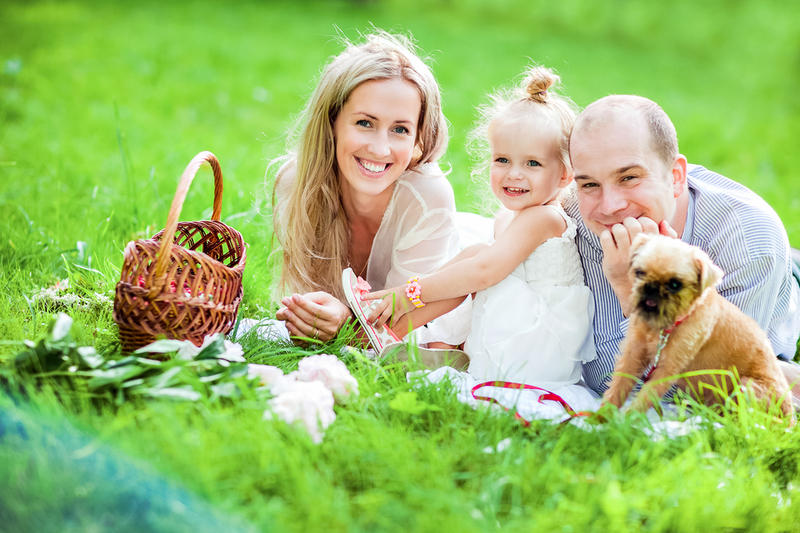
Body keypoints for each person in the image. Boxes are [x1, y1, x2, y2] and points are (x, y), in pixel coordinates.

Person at [361, 67, 598, 417]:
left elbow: (485, 272)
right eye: (502, 160)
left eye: (532, 163)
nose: (514, 173)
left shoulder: (545, 218)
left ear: (564, 174)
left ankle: (393, 322)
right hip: (518, 325)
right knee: (475, 254)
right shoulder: (515, 217)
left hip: (536, 350)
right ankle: (410, 336)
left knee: (478, 262)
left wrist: (410, 292)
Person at [563, 94, 800, 398]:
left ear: (676, 177)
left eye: (629, 177)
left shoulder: (749, 240)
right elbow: (600, 375)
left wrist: (627, 287)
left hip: (782, 291)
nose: (609, 206)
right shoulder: (575, 217)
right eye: (589, 184)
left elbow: (701, 394)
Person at [269, 31, 467, 344]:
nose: (380, 148)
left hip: (444, 309)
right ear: (332, 121)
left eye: (400, 129)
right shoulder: (296, 184)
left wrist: (346, 323)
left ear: (418, 137)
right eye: (365, 123)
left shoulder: (427, 198)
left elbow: (403, 329)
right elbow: (310, 310)